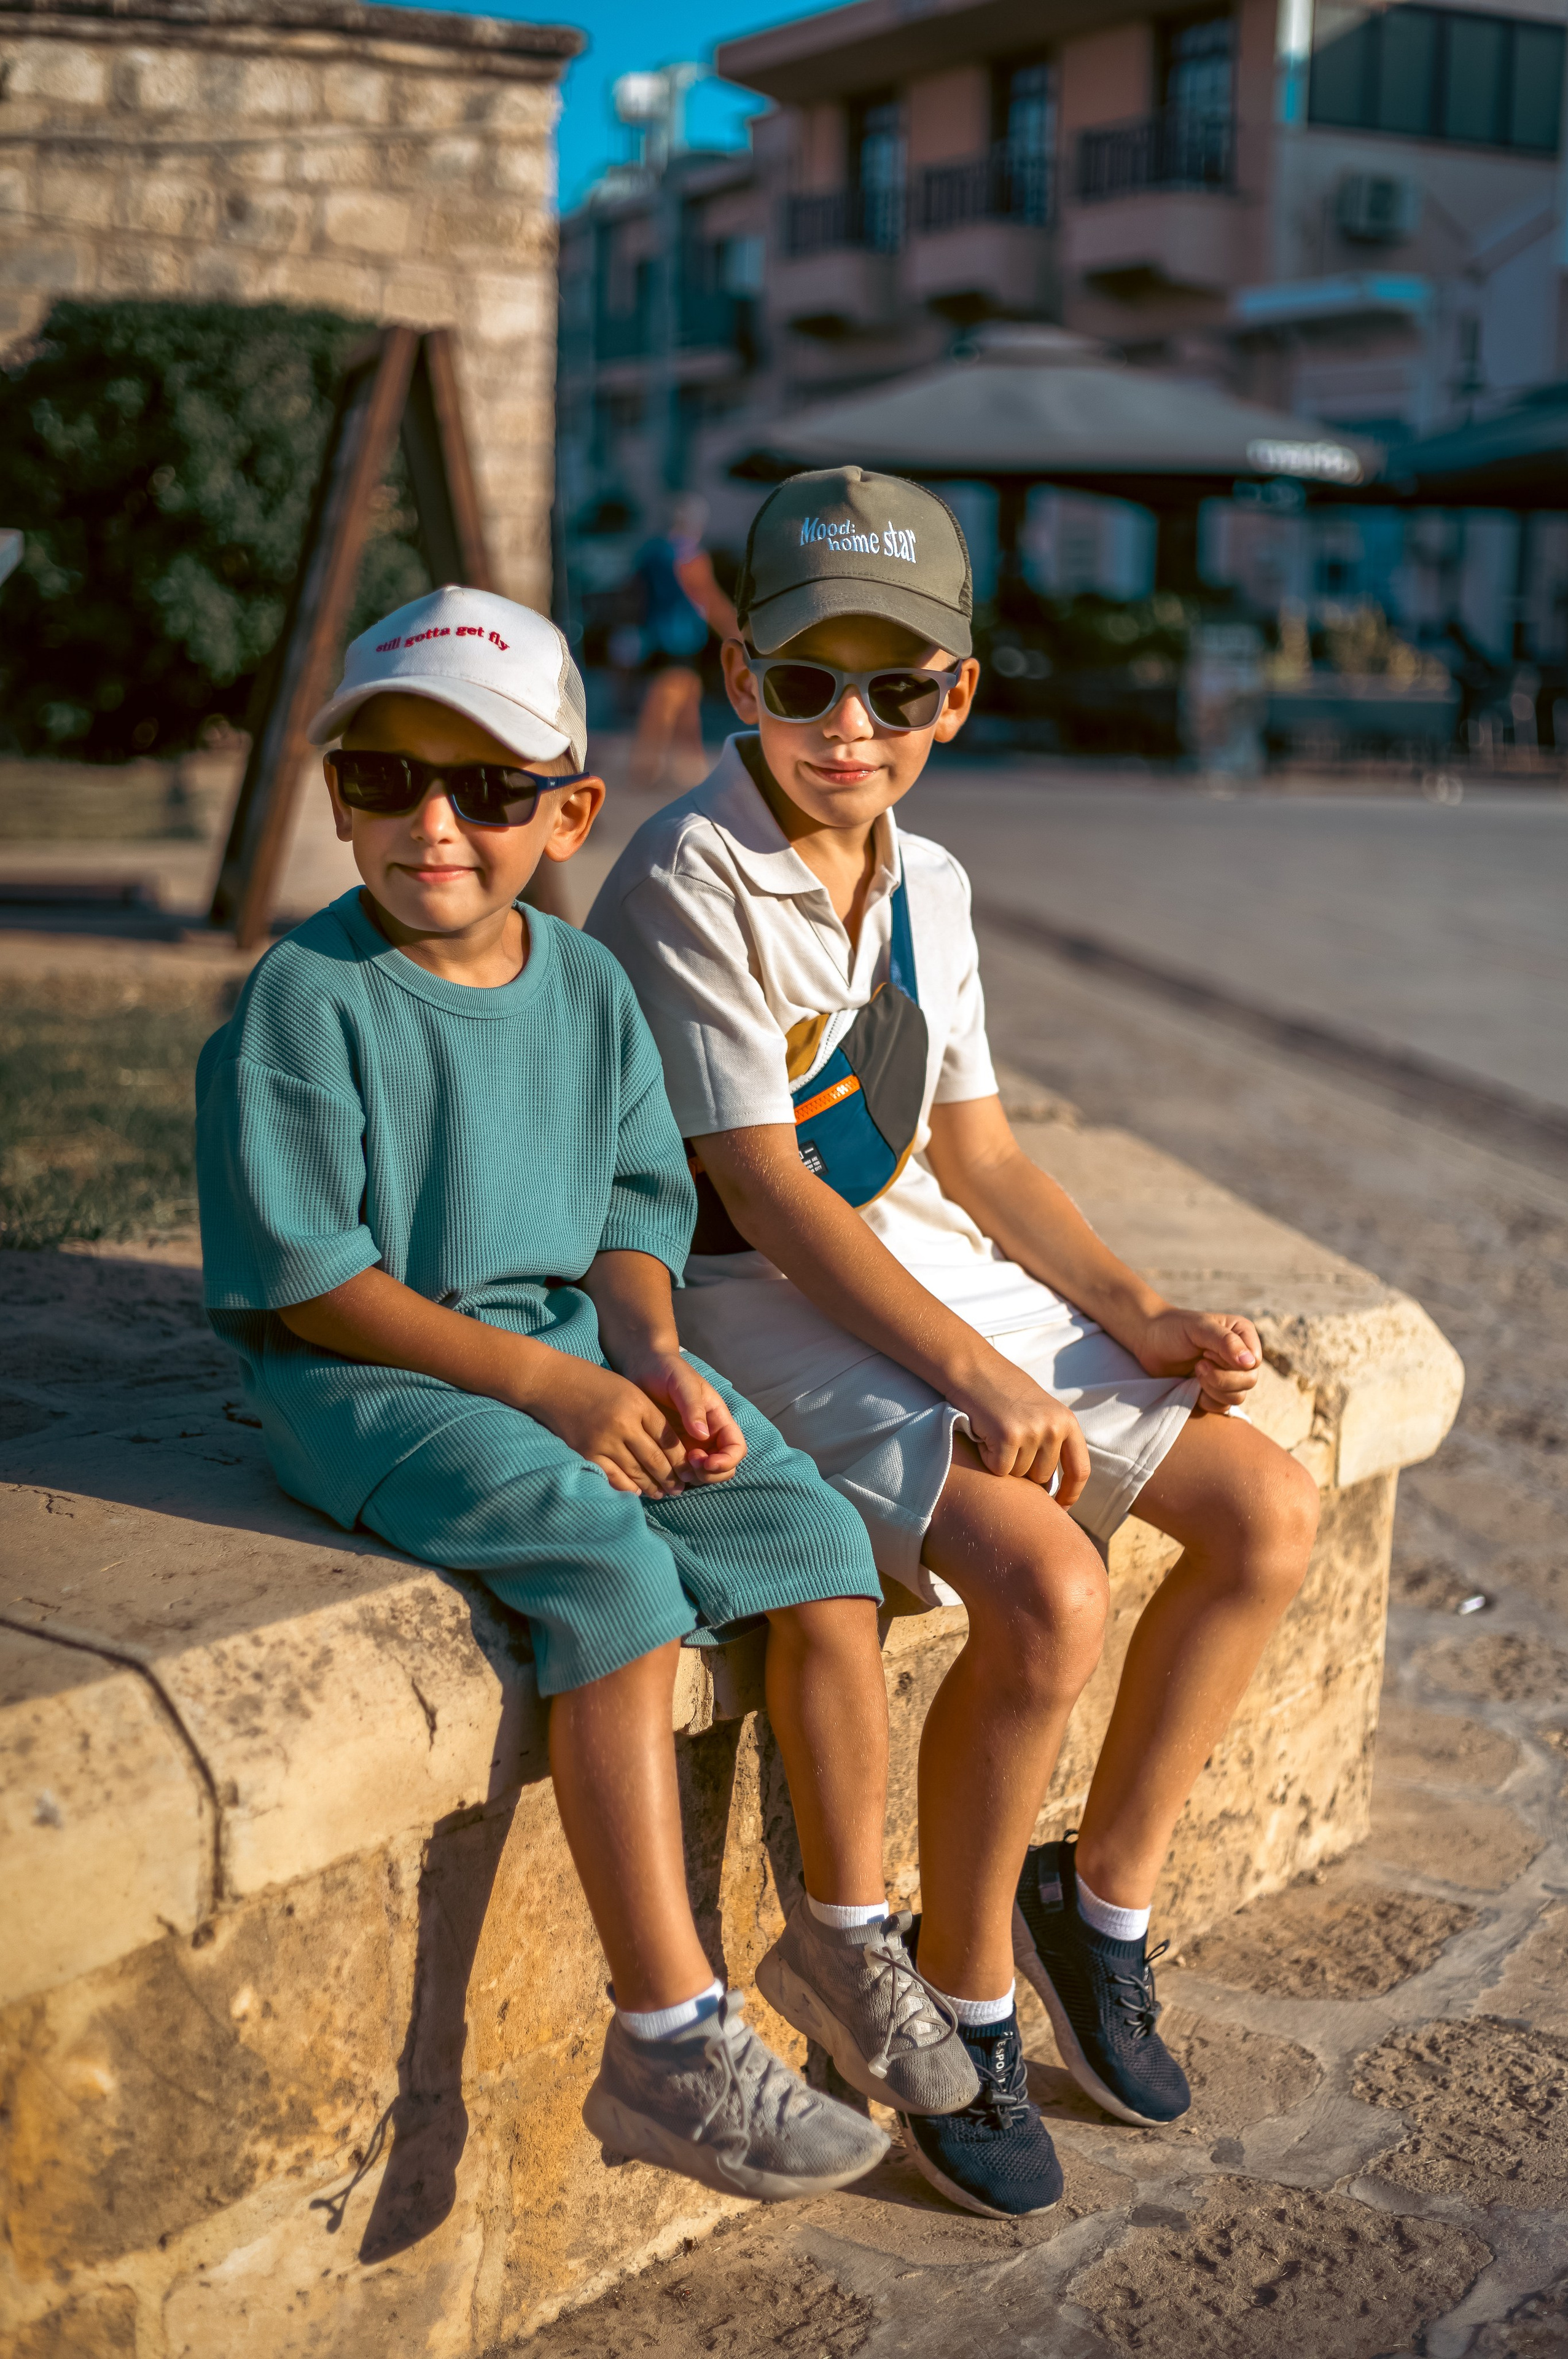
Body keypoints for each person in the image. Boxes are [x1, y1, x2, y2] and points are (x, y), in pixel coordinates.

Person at [585, 470, 1322, 2220]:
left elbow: (976, 1151)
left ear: (957, 696)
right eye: (808, 681)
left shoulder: (935, 879)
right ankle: (967, 1995)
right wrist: (982, 1383)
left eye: (899, 688)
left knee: (1267, 1516)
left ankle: (1103, 1901)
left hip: (915, 1275)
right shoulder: (697, 869)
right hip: (749, 1305)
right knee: (1051, 1588)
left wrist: (1129, 1314)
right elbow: (762, 1190)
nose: (853, 727)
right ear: (741, 667)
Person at [194, 582, 980, 2207]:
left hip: (569, 1348)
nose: (434, 824)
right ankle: (667, 2035)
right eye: (387, 780)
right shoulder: (306, 999)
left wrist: (649, 1352)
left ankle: (843, 1937)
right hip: (379, 1373)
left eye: (487, 791)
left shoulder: (586, 988)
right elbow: (311, 1277)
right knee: (611, 1576)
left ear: (567, 812)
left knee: (821, 1549)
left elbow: (636, 1217)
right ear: (333, 793)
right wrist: (551, 1386)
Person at [628, 496, 738, 793]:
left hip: (657, 638)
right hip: (681, 641)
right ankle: (649, 766)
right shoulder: (691, 556)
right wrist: (738, 633)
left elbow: (635, 594)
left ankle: (690, 766)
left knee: (687, 702)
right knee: (666, 703)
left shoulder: (652, 552)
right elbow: (708, 597)